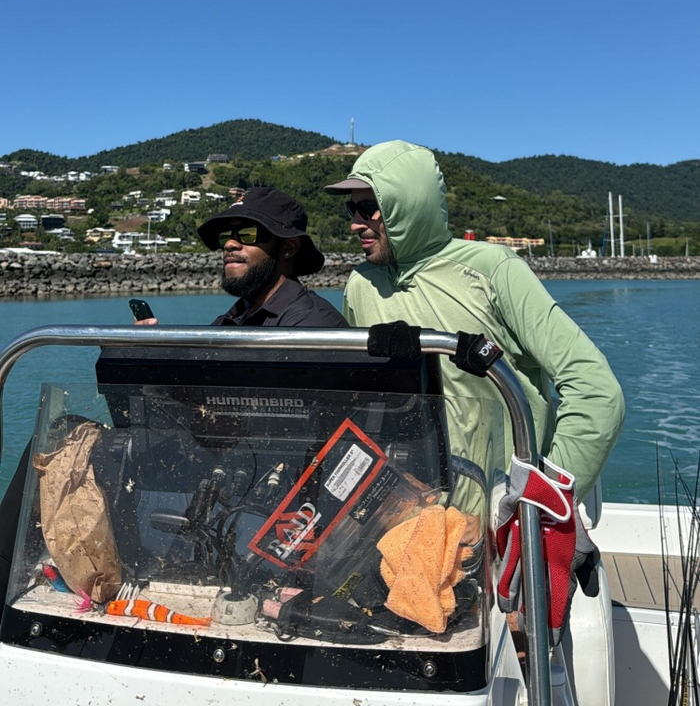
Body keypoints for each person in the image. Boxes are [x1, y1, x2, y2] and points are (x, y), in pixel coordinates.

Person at [325, 140, 624, 501]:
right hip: (413, 515)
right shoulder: (360, 286)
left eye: (368, 208)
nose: (355, 224)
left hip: (504, 518)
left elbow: (596, 390)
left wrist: (541, 502)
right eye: (352, 208)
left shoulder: (493, 270)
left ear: (407, 204)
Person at [135, 185, 347, 329]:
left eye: (248, 233)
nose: (229, 244)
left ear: (289, 247)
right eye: (225, 235)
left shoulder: (313, 325)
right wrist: (148, 348)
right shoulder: (231, 320)